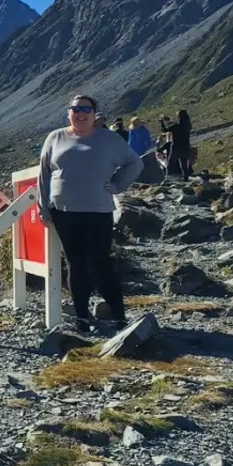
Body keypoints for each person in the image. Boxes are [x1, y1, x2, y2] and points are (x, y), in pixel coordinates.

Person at [38, 94, 143, 333]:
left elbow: (134, 163)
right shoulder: (55, 138)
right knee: (75, 264)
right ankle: (82, 318)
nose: (80, 113)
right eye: (75, 109)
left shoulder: (109, 139)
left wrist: (118, 185)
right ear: (69, 113)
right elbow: (44, 174)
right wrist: (43, 208)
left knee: (101, 263)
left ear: (95, 114)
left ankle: (119, 317)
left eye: (86, 109)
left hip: (98, 211)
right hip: (64, 212)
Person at [165, 110, 194, 181]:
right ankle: (186, 179)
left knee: (170, 165)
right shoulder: (188, 126)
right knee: (184, 165)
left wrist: (164, 122)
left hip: (176, 148)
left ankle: (167, 179)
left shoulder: (176, 126)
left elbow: (165, 129)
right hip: (185, 147)